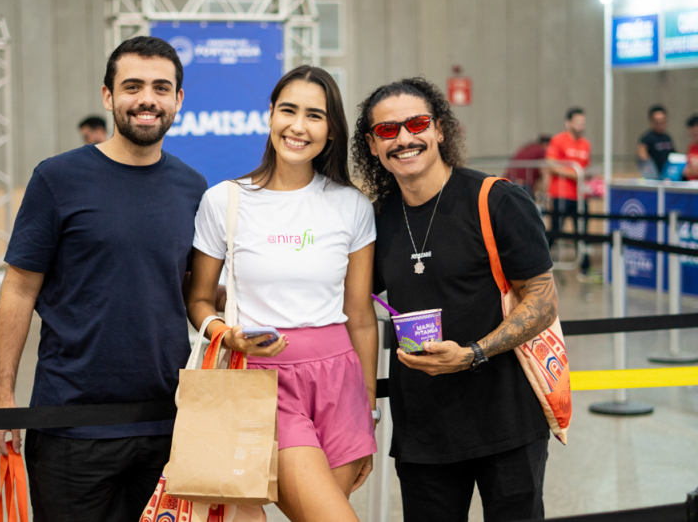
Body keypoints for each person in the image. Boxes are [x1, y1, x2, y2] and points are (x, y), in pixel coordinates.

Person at [0, 36, 207, 521]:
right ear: (108, 96)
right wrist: (4, 395)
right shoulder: (57, 179)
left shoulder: (194, 187)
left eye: (160, 87)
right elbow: (20, 287)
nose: (147, 98)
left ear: (178, 100)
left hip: (166, 422)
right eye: (132, 86)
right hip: (71, 425)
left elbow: (199, 293)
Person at [352, 77, 557, 522]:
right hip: (423, 431)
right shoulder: (376, 220)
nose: (404, 138)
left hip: (508, 424)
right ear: (371, 144)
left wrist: (473, 353)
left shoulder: (497, 199)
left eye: (417, 124)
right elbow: (346, 302)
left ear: (440, 130)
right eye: (387, 131)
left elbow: (542, 300)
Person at [187, 65, 378, 522]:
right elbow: (197, 299)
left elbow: (361, 316)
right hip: (263, 381)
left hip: (341, 384)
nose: (298, 126)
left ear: (331, 130)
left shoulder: (352, 204)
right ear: (270, 115)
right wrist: (225, 334)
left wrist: (367, 410)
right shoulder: (225, 200)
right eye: (288, 110)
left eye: (314, 115)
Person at [544, 107, 595, 281]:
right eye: (578, 121)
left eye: (583, 122)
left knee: (582, 231)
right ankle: (540, 263)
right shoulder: (558, 140)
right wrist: (573, 173)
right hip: (561, 193)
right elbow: (551, 164)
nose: (581, 125)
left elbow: (586, 168)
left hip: (580, 196)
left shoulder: (586, 144)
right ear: (569, 123)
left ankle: (585, 267)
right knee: (556, 229)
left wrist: (584, 176)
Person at [637, 105, 675, 177]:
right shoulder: (647, 139)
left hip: (667, 177)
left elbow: (673, 155)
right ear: (651, 121)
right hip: (654, 177)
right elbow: (642, 156)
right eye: (657, 122)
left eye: (662, 121)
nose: (660, 124)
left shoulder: (667, 138)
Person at [682, 114, 698, 181]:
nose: (692, 138)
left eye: (695, 135)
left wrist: (693, 172)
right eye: (690, 135)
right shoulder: (691, 146)